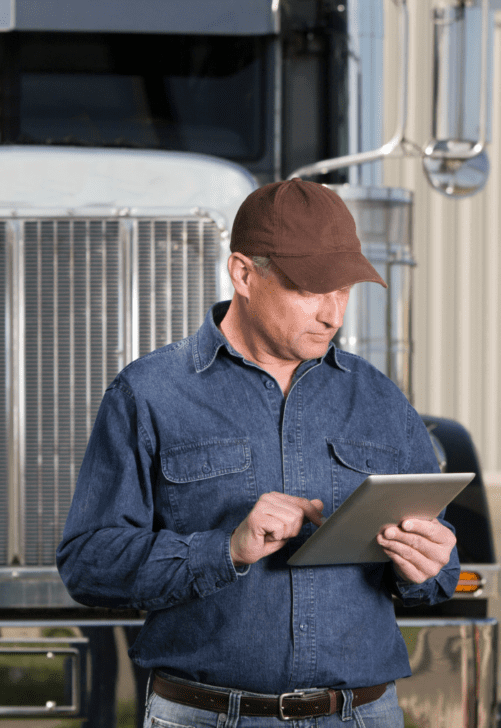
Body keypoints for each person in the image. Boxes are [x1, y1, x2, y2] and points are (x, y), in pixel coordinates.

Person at [56, 179, 459, 728]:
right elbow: (88, 564)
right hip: (205, 717)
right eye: (311, 290)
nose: (333, 314)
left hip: (361, 717)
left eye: (343, 290)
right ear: (244, 273)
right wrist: (226, 550)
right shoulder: (148, 394)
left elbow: (441, 576)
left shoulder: (379, 399)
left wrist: (430, 567)